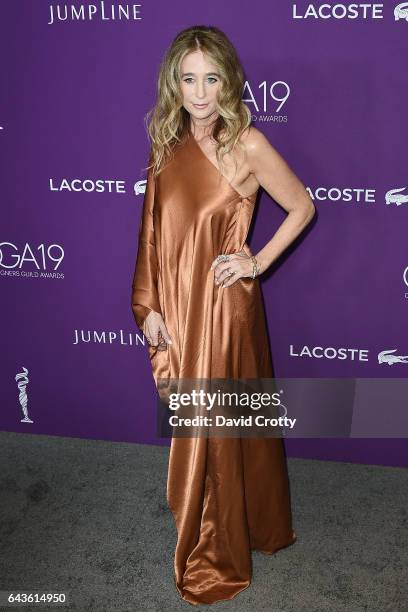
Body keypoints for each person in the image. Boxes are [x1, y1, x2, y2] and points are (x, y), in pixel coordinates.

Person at [131, 25, 315, 606]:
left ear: (230, 80)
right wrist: (150, 303)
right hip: (179, 307)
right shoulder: (166, 140)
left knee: (220, 424)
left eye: (211, 78)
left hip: (224, 309)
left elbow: (303, 206)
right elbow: (152, 234)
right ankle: (254, 521)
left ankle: (216, 546)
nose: (201, 92)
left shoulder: (249, 144)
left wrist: (254, 261)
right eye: (188, 79)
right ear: (174, 83)